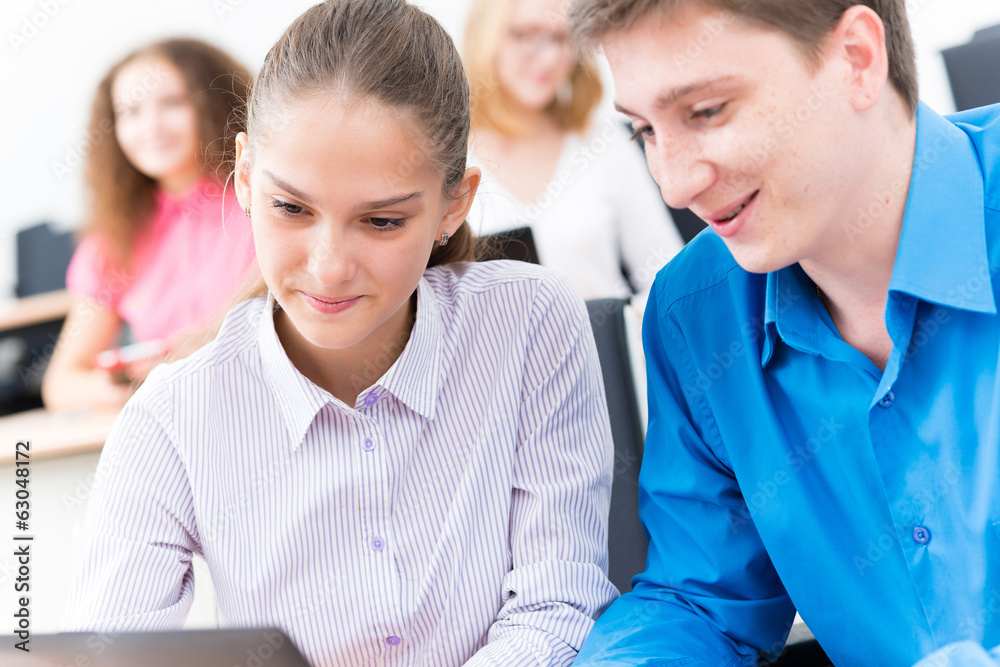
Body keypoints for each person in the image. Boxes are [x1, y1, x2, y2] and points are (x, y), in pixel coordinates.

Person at [61, 1, 618, 665]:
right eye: (291, 207)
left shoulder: (530, 324)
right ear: (244, 177)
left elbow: (558, 605)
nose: (327, 267)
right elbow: (112, 653)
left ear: (455, 203)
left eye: (381, 221)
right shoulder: (171, 417)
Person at [565, 0, 1000, 665]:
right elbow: (700, 597)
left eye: (706, 111)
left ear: (855, 58)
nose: (676, 186)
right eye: (643, 131)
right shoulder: (694, 315)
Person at [42, 39, 256, 411]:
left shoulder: (265, 200)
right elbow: (62, 383)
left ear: (213, 103)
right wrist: (132, 388)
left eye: (172, 104)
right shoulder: (113, 240)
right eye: (131, 111)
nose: (151, 127)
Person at [463, 0, 684, 304]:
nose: (549, 57)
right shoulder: (449, 156)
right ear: (486, 37)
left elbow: (669, 275)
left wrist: (623, 328)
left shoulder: (606, 145)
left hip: (606, 348)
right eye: (526, 34)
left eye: (562, 38)